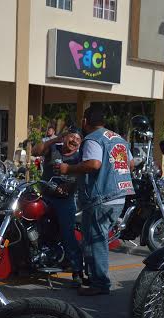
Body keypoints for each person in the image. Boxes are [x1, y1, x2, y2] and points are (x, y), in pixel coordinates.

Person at [56, 106, 134, 296]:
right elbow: (130, 164)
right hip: (119, 195)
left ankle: (100, 284)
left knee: (95, 241)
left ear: (85, 121)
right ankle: (94, 279)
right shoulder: (117, 138)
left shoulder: (93, 139)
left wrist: (68, 169)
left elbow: (94, 164)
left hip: (102, 197)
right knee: (95, 239)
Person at [34, 127, 84, 286]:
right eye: (72, 137)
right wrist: (55, 139)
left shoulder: (79, 157)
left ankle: (77, 271)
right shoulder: (53, 148)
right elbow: (35, 151)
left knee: (67, 233)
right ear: (65, 137)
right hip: (45, 196)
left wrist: (68, 187)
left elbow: (79, 176)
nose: (74, 141)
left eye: (78, 139)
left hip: (65, 199)